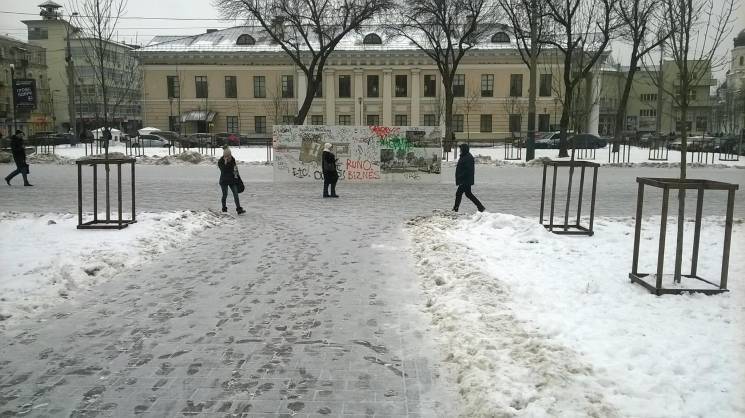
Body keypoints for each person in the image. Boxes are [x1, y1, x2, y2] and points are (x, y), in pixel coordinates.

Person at [453, 143, 484, 212]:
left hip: (465, 180)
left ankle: (455, 209)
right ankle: (480, 207)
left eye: (461, 149)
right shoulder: (464, 156)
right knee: (468, 194)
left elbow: (468, 170)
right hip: (465, 179)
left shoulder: (468, 157)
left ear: (464, 149)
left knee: (459, 193)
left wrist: (461, 177)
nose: (460, 150)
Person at [218, 146, 244, 214]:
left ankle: (239, 209)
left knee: (236, 194)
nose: (229, 157)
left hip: (232, 180)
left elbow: (235, 169)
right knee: (225, 195)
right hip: (224, 181)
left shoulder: (232, 159)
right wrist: (225, 163)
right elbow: (223, 170)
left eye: (229, 155)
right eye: (227, 156)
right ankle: (224, 208)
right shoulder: (220, 161)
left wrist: (238, 179)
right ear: (224, 155)